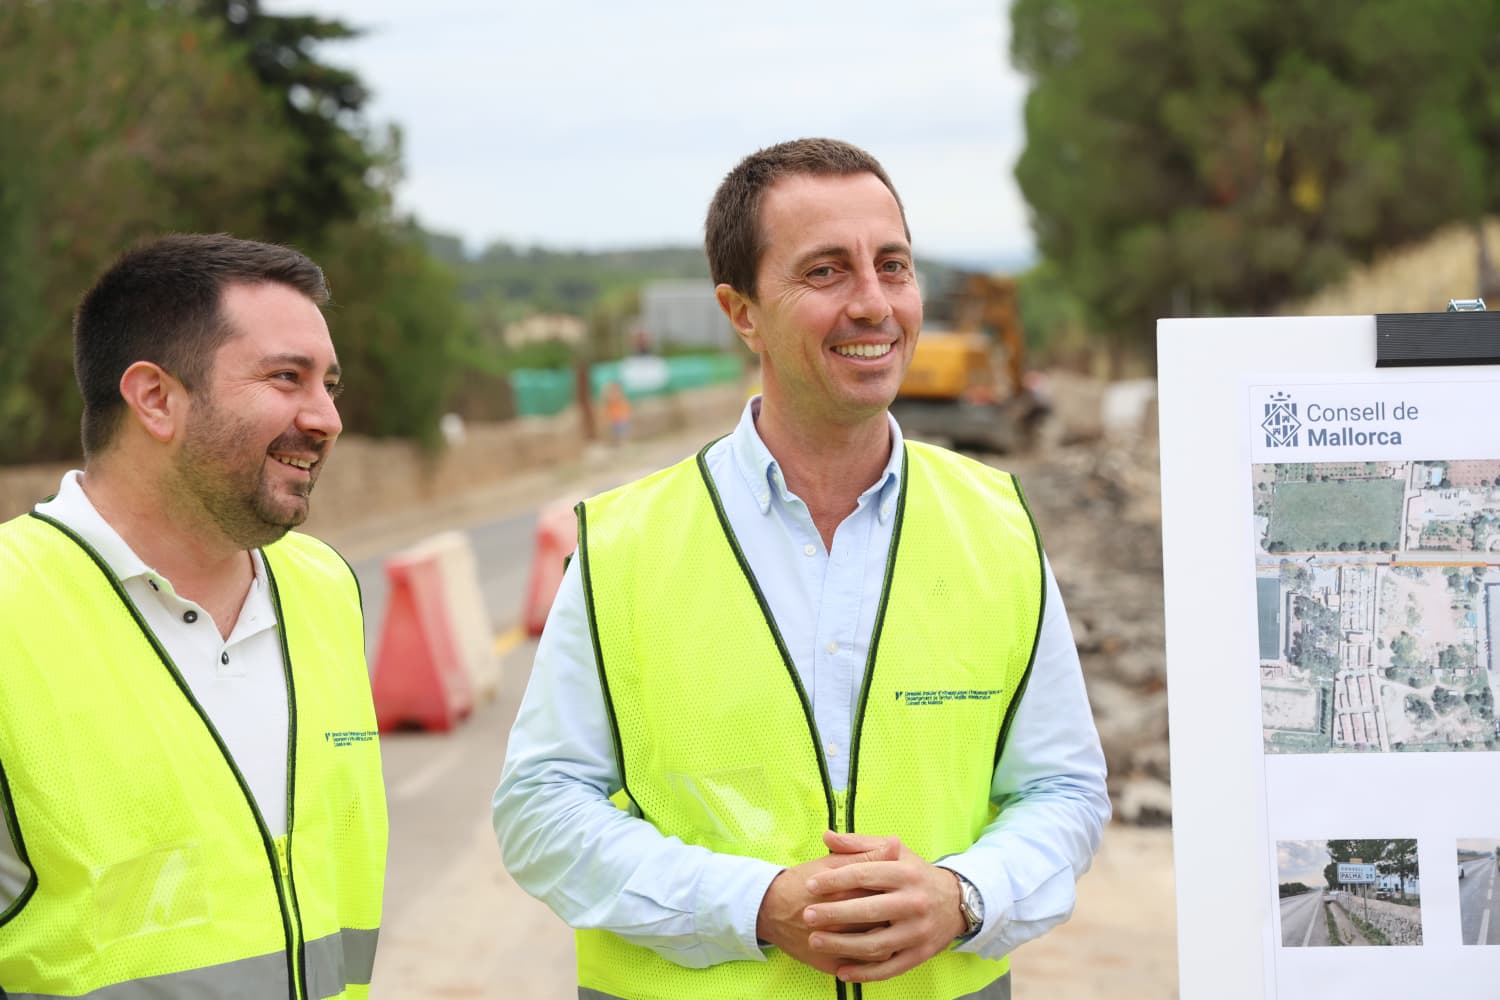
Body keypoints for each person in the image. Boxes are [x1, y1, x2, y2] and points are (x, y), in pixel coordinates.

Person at [493, 138, 1109, 999]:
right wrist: (754, 906)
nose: (873, 303)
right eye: (826, 272)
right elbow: (541, 811)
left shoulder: (996, 525)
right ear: (741, 312)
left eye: (892, 266)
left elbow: (1064, 791)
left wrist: (962, 895)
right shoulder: (623, 544)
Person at [0, 234, 387, 998]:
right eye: (288, 377)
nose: (328, 418)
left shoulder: (324, 587)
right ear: (155, 399)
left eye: (329, 384)